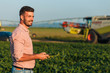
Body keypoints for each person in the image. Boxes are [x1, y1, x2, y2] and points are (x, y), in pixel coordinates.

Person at [10, 6, 50, 73]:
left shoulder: (24, 31)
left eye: (32, 16)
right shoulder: (19, 33)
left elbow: (25, 53)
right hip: (21, 70)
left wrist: (39, 55)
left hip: (25, 70)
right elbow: (18, 57)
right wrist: (37, 56)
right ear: (22, 17)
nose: (32, 19)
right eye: (29, 16)